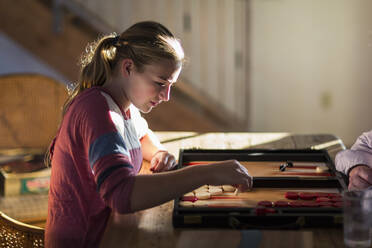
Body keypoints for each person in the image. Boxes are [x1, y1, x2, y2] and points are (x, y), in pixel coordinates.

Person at [44, 21, 252, 247]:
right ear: (128, 68)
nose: (167, 95)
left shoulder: (124, 105)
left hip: (111, 231)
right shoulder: (98, 112)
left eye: (171, 84)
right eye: (160, 82)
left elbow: (141, 136)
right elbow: (121, 194)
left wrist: (159, 151)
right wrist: (206, 173)